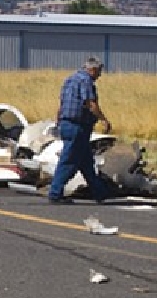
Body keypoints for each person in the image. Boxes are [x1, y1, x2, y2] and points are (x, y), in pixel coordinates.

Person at [47, 56, 112, 204]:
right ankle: (55, 193)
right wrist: (103, 119)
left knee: (86, 162)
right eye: (99, 71)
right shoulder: (86, 81)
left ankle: (100, 192)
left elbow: (62, 104)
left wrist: (58, 121)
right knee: (68, 160)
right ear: (93, 69)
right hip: (78, 126)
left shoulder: (70, 80)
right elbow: (89, 103)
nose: (100, 75)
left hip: (66, 123)